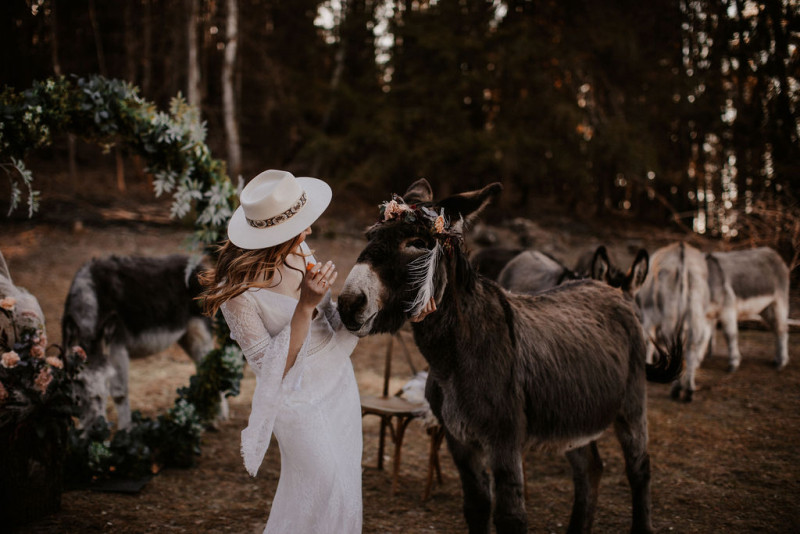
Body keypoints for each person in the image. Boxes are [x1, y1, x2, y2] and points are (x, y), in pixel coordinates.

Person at [200, 169, 434, 534]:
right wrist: (304, 305)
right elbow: (270, 371)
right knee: (321, 487)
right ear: (273, 234)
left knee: (344, 489)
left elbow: (334, 326)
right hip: (296, 402)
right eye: (300, 226)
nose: (308, 232)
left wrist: (408, 308)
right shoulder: (237, 292)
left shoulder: (301, 252)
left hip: (338, 385)